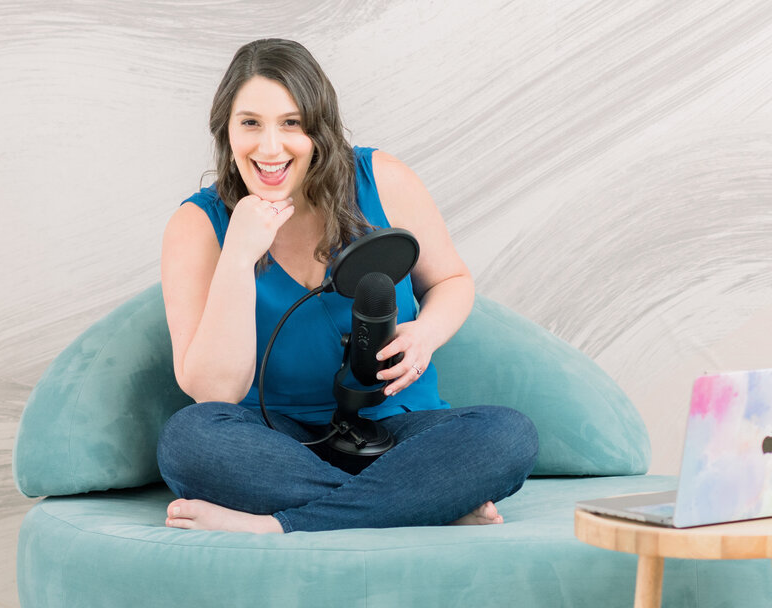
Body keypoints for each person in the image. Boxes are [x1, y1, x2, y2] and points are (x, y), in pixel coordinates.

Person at [156, 38, 538, 534]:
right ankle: (422, 503)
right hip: (277, 443)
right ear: (226, 131)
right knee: (188, 440)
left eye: (291, 123)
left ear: (319, 127)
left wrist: (425, 334)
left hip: (397, 429)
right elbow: (213, 392)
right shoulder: (197, 224)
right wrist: (239, 253)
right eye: (250, 123)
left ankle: (282, 524)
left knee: (508, 435)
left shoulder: (381, 178)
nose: (269, 147)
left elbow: (452, 280)